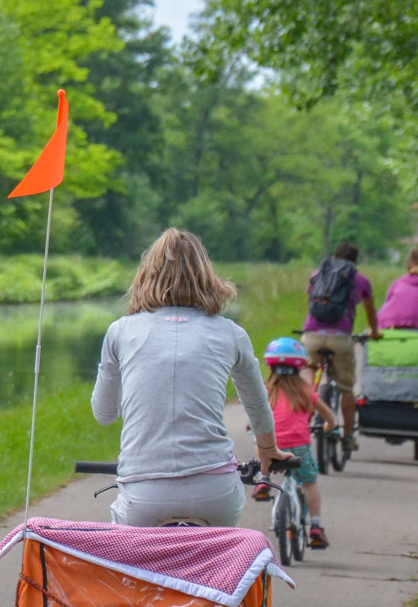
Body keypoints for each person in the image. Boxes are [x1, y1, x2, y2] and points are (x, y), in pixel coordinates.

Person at [92, 228, 289, 527]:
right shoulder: (230, 333)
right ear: (207, 277)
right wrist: (266, 450)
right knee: (218, 564)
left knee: (129, 565)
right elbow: (257, 405)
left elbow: (104, 414)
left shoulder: (121, 331)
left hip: (145, 491)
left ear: (145, 275)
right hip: (214, 492)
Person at [253, 337, 339, 548]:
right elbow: (330, 418)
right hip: (299, 445)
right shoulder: (305, 392)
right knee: (309, 482)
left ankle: (263, 478)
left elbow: (255, 416)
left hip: (274, 444)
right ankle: (316, 526)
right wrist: (328, 427)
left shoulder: (266, 390)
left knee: (259, 441)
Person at [302, 241, 382, 449]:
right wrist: (374, 332)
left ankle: (302, 425)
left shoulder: (317, 274)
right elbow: (370, 312)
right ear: (355, 261)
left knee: (310, 375)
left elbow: (310, 303)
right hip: (340, 339)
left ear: (335, 256)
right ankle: (347, 436)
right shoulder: (361, 279)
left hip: (312, 336)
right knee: (347, 387)